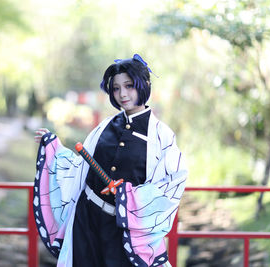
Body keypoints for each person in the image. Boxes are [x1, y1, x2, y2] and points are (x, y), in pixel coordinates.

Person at [33, 54, 187, 267]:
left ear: (144, 86)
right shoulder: (104, 126)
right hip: (86, 221)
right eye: (116, 88)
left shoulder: (162, 136)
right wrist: (54, 148)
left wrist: (129, 196)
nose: (122, 94)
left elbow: (171, 185)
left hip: (125, 231)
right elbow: (80, 169)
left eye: (129, 86)